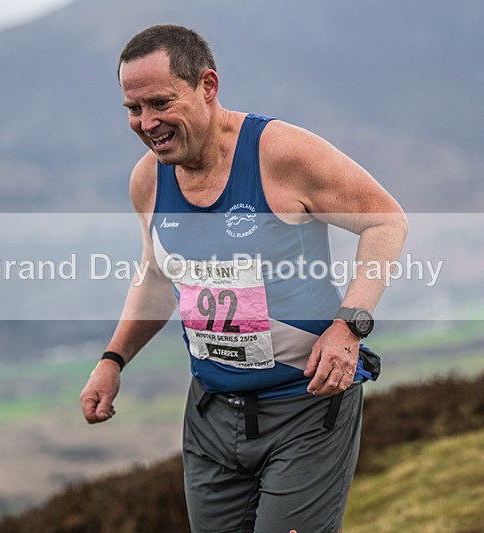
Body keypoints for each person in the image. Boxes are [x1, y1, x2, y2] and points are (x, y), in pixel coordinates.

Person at [80, 24, 408, 532]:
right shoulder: (148, 178)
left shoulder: (280, 154)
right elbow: (158, 275)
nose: (147, 122)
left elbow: (386, 221)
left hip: (306, 409)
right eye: (133, 108)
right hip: (211, 414)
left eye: (160, 103)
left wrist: (349, 327)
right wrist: (112, 360)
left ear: (207, 87)